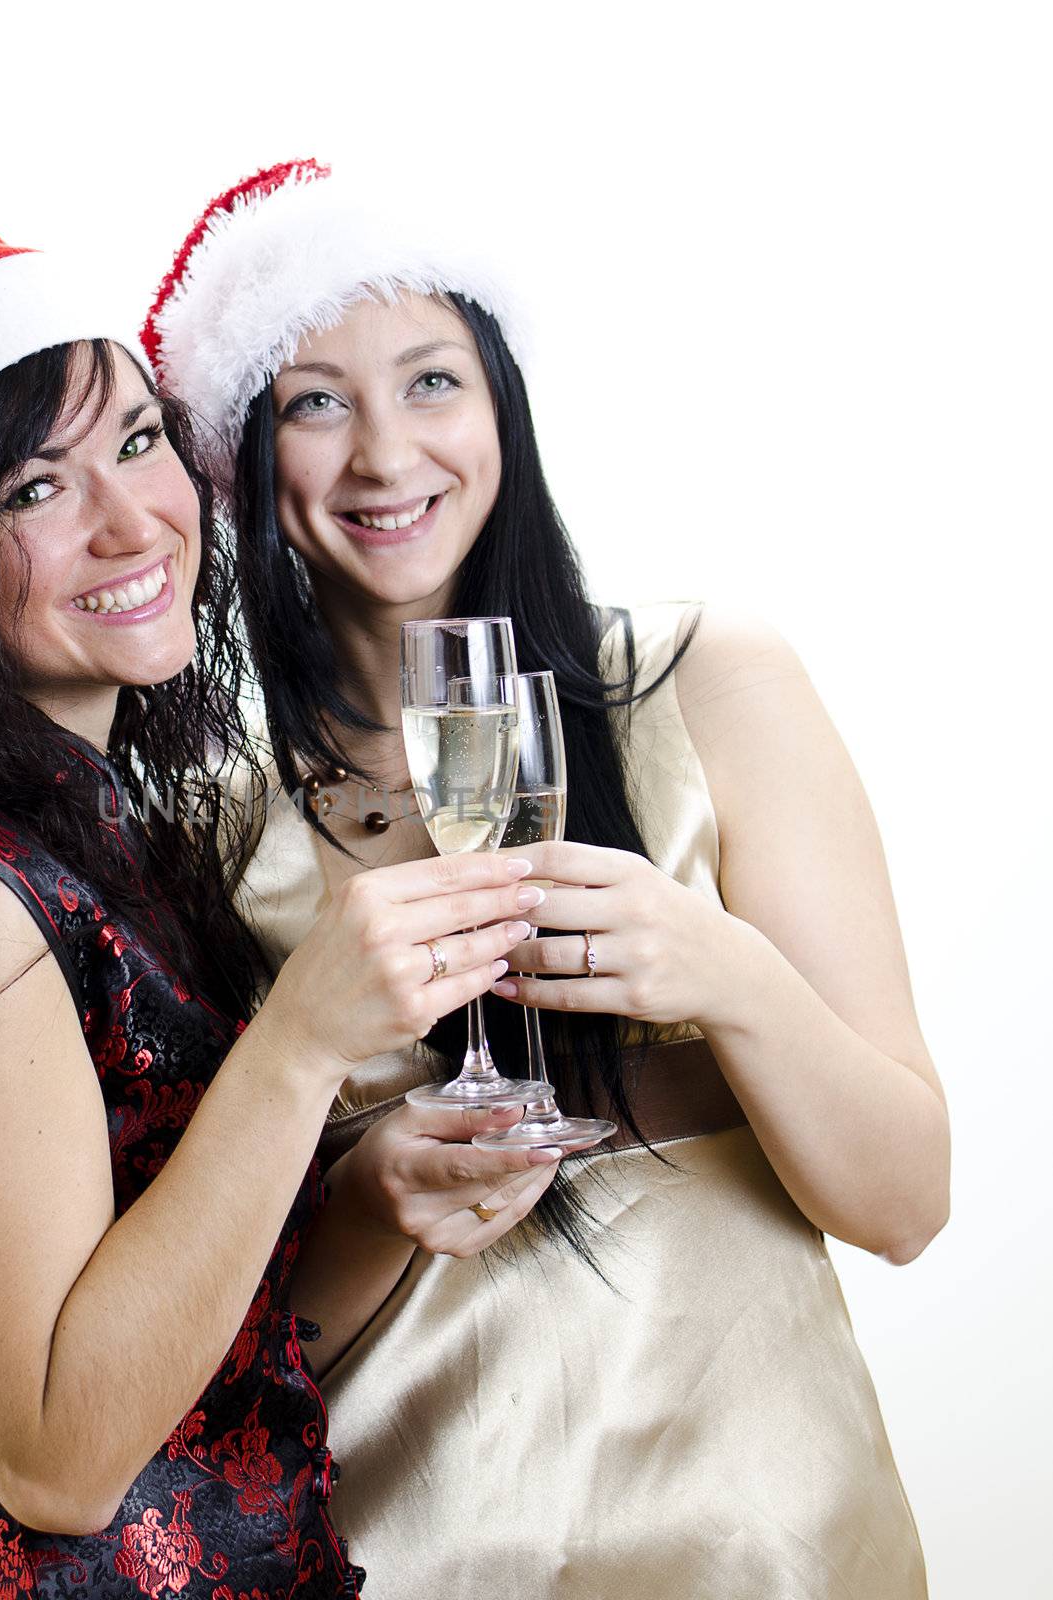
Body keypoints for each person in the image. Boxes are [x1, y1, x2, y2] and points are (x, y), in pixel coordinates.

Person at [143, 162, 949, 1597]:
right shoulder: (209, 839)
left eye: (432, 381)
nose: (387, 455)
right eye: (315, 402)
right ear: (244, 461)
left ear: (500, 402)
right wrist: (367, 1202)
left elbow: (903, 1203)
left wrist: (726, 979)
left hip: (766, 1548)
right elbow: (212, 1376)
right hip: (417, 1560)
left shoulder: (707, 684)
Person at [0, 214, 559, 1599]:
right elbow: (56, 1459)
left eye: (134, 443)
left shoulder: (77, 833)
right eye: (32, 490)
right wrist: (297, 1048)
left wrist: (358, 1201)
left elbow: (182, 1357)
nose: (131, 522)